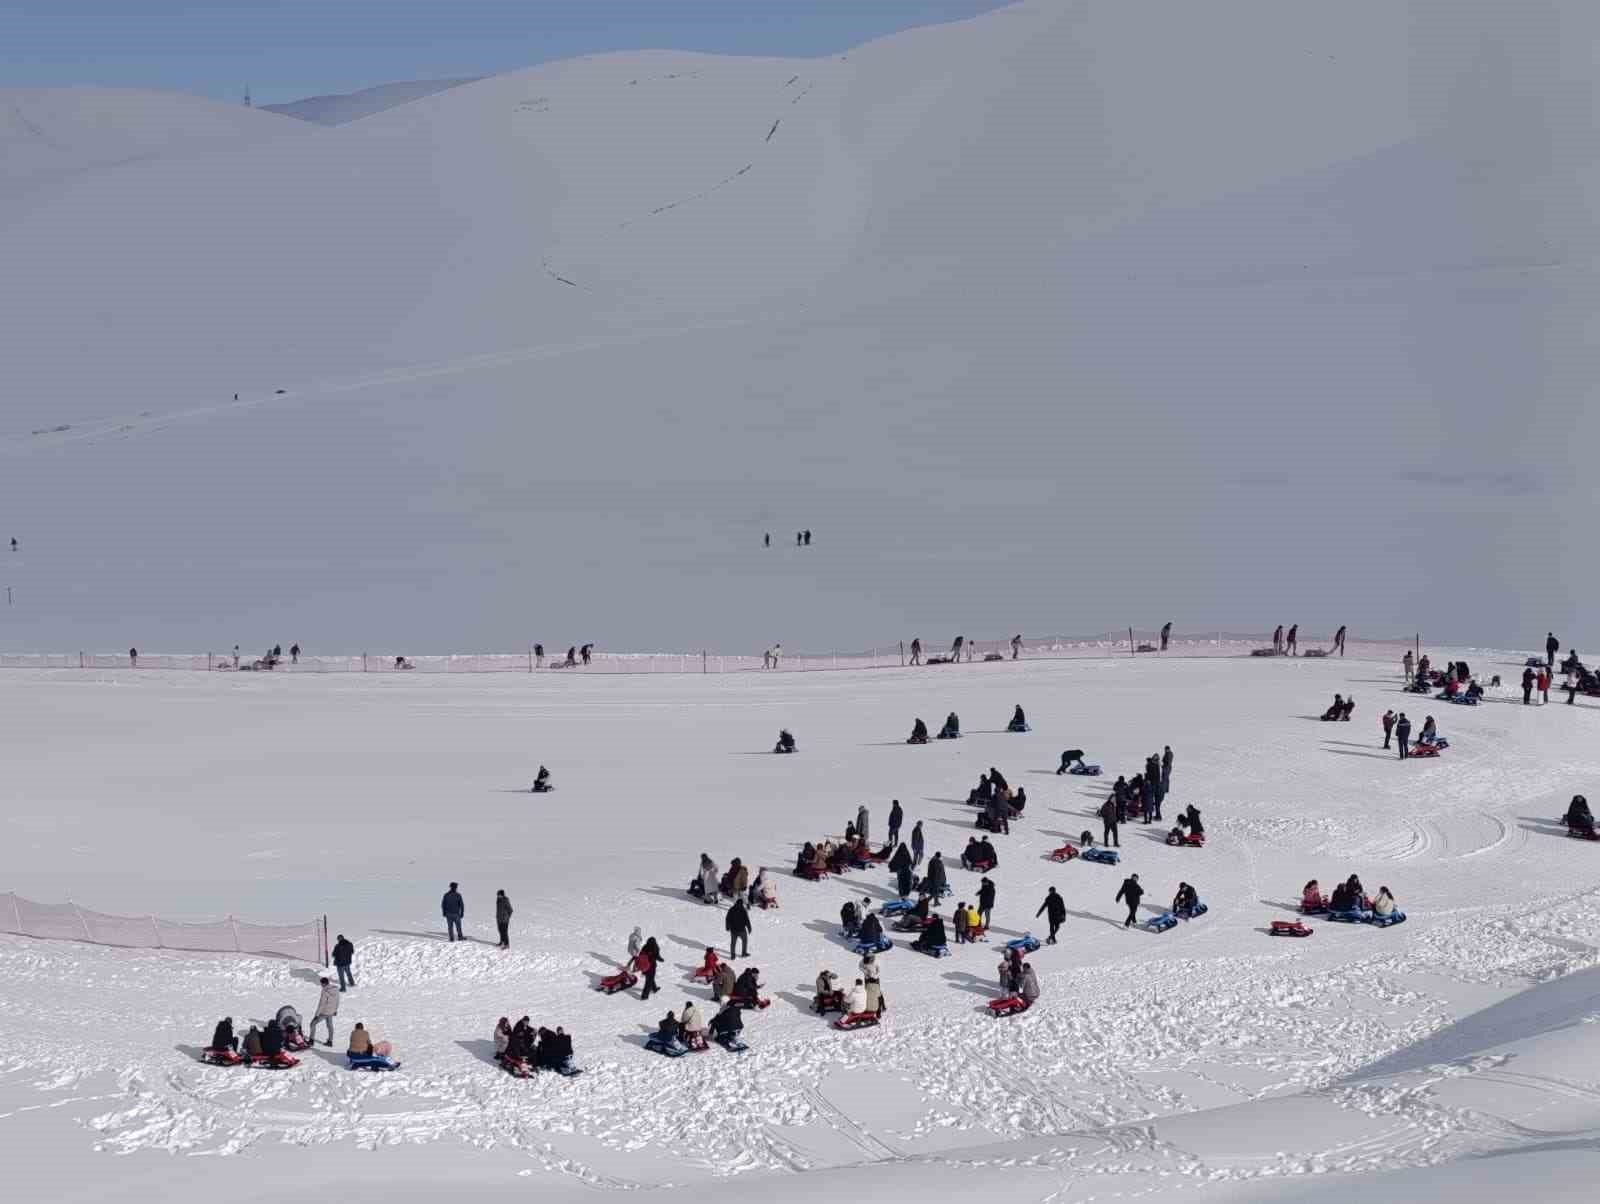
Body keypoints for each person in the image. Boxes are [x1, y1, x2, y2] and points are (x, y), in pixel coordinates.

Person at [309, 976, 339, 1046]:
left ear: (324, 983)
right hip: (331, 1011)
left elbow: (321, 1004)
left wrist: (316, 1015)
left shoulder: (325, 991)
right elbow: (337, 1001)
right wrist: (335, 1010)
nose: (321, 985)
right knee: (330, 1026)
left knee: (312, 1024)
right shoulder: (335, 989)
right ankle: (330, 1041)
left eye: (321, 984)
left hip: (324, 1012)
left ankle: (311, 1040)